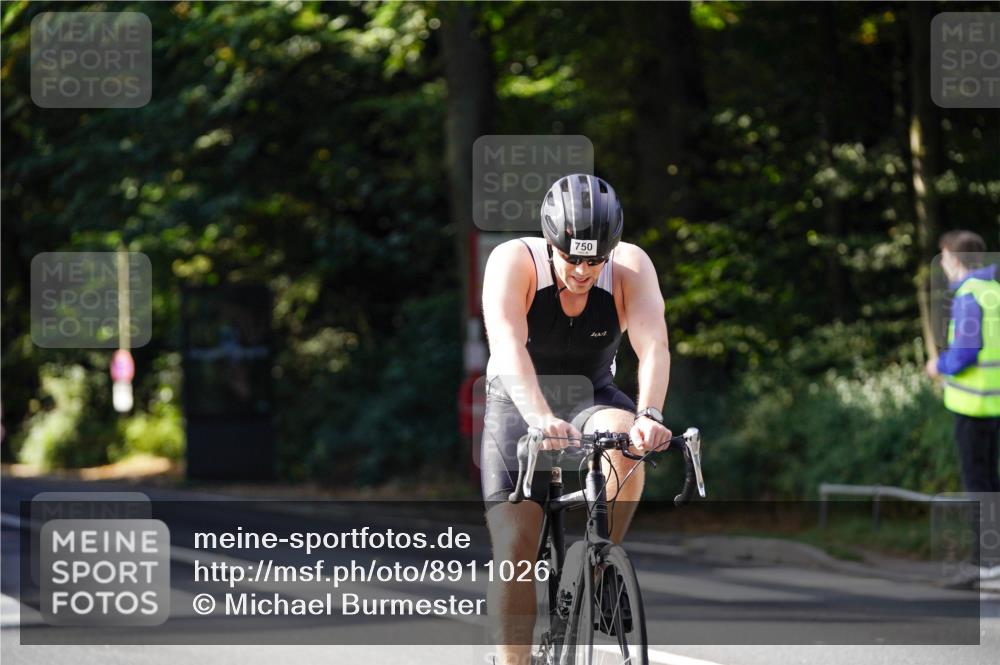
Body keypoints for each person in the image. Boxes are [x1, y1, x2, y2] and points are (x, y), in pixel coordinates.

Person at [480, 174, 672, 664]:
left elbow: (653, 346)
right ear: (550, 242)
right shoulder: (512, 261)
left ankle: (603, 561)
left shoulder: (630, 266)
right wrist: (540, 416)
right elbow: (506, 346)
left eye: (596, 260)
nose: (584, 270)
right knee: (515, 548)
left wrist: (649, 414)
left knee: (630, 445)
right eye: (572, 258)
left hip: (592, 394)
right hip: (519, 397)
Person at [925, 230, 1000, 587]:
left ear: (955, 259)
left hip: (974, 407)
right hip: (995, 405)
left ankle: (986, 564)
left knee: (978, 485)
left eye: (943, 257)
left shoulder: (969, 296)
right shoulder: (995, 292)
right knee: (991, 484)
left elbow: (966, 353)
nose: (941, 263)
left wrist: (939, 366)